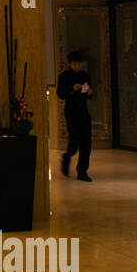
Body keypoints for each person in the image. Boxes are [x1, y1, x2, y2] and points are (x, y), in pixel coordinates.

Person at [56, 51, 94, 181]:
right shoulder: (64, 77)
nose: (77, 66)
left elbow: (90, 95)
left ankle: (82, 171)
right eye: (74, 64)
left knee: (86, 142)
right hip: (71, 112)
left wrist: (89, 92)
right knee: (75, 139)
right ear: (70, 64)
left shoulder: (85, 75)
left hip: (84, 111)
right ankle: (67, 156)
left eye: (79, 64)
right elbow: (60, 94)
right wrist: (72, 89)